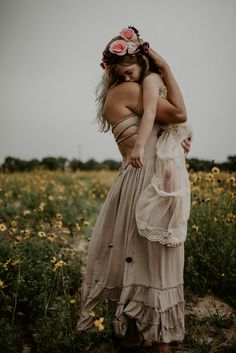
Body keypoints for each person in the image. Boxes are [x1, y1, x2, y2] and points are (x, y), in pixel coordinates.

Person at [77, 26, 191, 353]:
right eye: (120, 70)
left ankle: (132, 336)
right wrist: (166, 69)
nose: (126, 75)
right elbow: (180, 113)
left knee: (134, 258)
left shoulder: (127, 93)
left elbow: (167, 129)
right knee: (155, 261)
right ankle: (160, 341)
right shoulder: (133, 91)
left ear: (141, 61)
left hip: (135, 180)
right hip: (148, 182)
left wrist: (176, 138)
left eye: (130, 67)